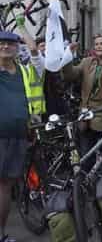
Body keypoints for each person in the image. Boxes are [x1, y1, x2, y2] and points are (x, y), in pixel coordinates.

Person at [0, 30, 46, 242]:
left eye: (10, 43)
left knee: (6, 186)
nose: (5, 47)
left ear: (17, 48)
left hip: (18, 137)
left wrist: (21, 25)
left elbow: (35, 50)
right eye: (1, 43)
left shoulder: (26, 72)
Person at [63, 34, 102, 151]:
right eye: (96, 44)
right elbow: (70, 75)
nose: (99, 47)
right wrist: (68, 57)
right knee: (86, 157)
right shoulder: (87, 62)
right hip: (84, 118)